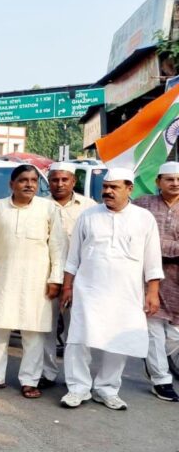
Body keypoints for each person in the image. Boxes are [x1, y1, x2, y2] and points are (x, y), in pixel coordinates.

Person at [60, 168, 163, 410]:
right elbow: (73, 256)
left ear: (129, 189)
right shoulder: (88, 216)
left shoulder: (144, 218)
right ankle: (78, 388)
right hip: (89, 289)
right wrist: (67, 286)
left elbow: (152, 259)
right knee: (78, 339)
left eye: (114, 187)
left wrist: (152, 291)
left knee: (120, 340)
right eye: (105, 186)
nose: (107, 191)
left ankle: (107, 388)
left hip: (127, 292)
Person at [0, 165, 66, 399]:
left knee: (33, 333)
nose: (29, 184)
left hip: (37, 281)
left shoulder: (48, 209)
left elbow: (58, 246)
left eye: (33, 180)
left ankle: (30, 380)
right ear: (11, 184)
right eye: (23, 180)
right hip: (2, 279)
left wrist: (56, 278)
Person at [40, 162, 96, 388]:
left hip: (80, 278)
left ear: (74, 181)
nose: (60, 184)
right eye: (55, 179)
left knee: (78, 330)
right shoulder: (39, 205)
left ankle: (78, 378)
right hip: (46, 277)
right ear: (49, 181)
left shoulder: (89, 207)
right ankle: (46, 373)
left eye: (65, 180)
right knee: (45, 328)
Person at [134, 161, 179, 402]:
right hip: (147, 277)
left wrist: (160, 246)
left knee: (174, 336)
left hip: (176, 281)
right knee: (154, 331)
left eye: (178, 179)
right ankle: (161, 379)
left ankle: (158, 363)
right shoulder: (143, 205)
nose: (175, 183)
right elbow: (139, 239)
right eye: (169, 179)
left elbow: (156, 243)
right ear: (158, 181)